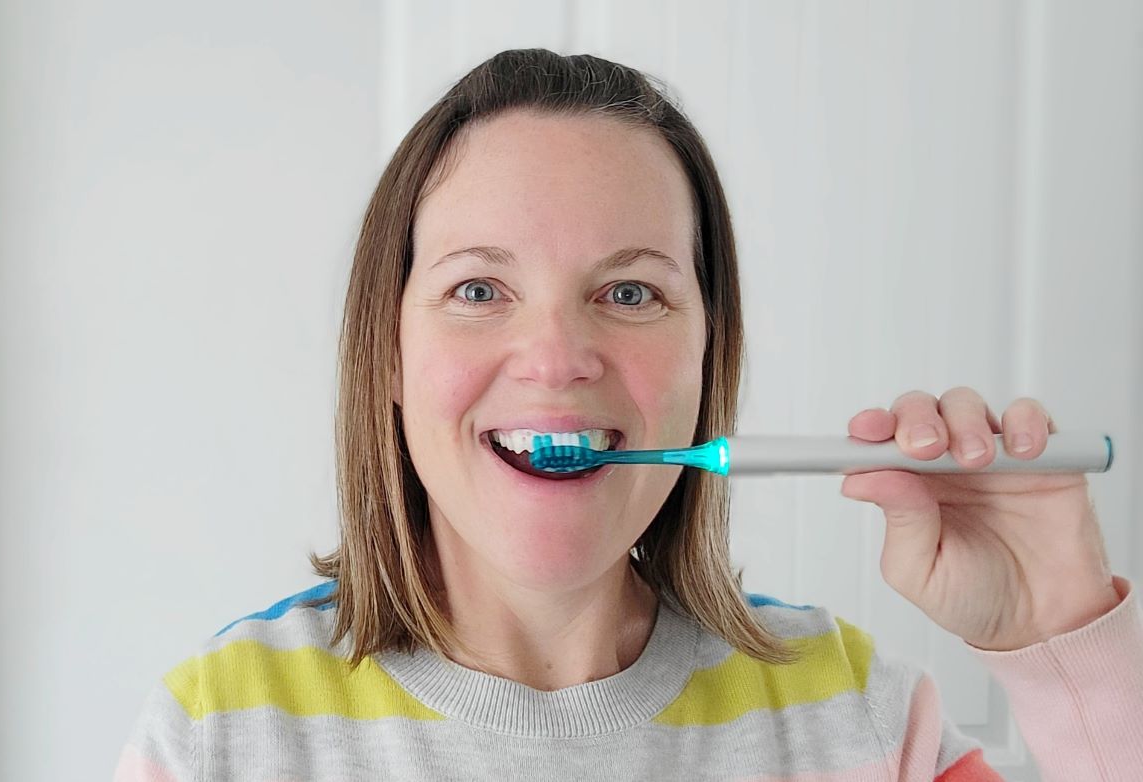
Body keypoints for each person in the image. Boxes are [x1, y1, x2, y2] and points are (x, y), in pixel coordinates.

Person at [114, 48, 1143, 781]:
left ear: (707, 352)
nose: (558, 359)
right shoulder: (221, 737)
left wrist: (1067, 635)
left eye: (631, 291)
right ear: (387, 351)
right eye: (479, 289)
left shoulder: (864, 717)